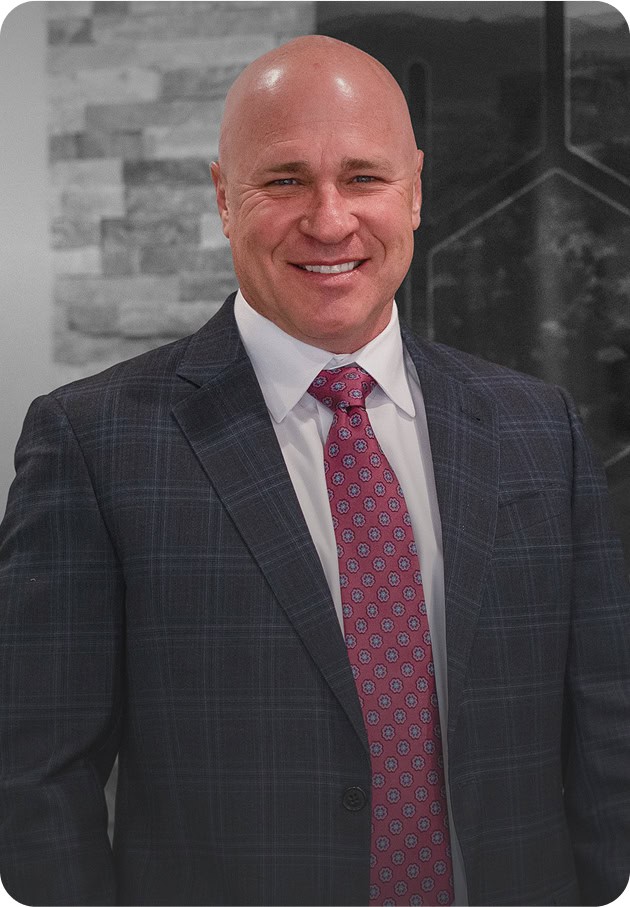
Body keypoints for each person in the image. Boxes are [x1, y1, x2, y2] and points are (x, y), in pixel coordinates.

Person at [0, 34, 628, 907]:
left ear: (415, 188)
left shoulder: (539, 430)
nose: (329, 220)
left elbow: (608, 739)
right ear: (225, 197)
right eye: (285, 180)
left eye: (364, 178)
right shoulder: (93, 443)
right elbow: (33, 778)